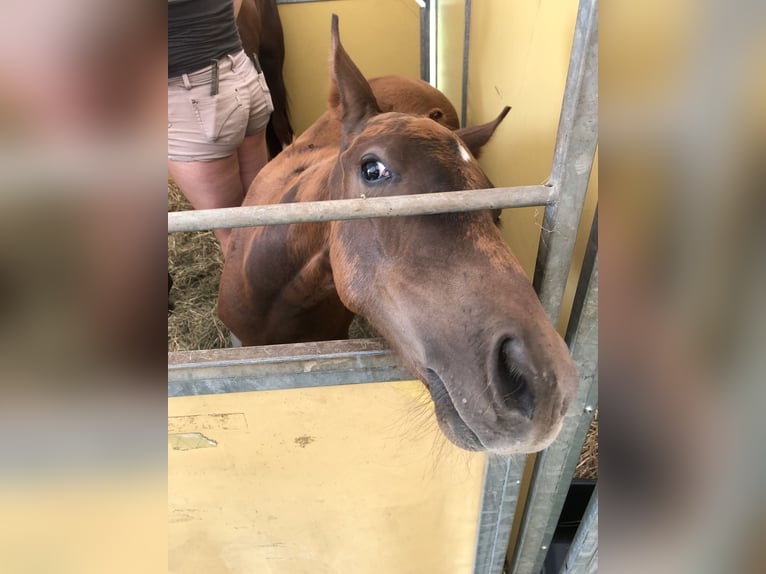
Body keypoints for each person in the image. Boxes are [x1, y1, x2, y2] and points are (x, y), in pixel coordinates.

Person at [168, 0, 274, 253]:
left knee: (233, 237)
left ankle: (255, 292)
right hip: (241, 74)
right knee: (260, 215)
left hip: (193, 98)